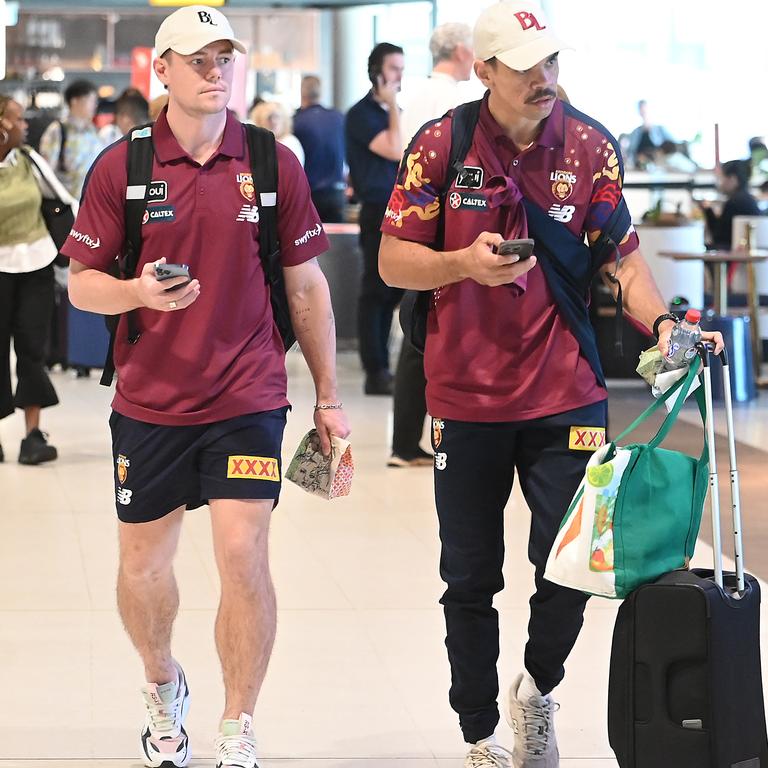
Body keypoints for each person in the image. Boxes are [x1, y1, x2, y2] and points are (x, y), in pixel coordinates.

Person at [378, 4, 724, 767]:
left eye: (552, 62)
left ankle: (536, 689)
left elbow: (622, 259)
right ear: (485, 71)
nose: (544, 78)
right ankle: (476, 732)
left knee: (569, 562)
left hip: (566, 393)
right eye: (525, 65)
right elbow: (394, 260)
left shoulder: (591, 145)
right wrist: (460, 263)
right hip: (464, 397)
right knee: (468, 577)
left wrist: (664, 326)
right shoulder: (440, 145)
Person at [62, 7, 349, 768]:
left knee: (243, 555)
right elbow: (83, 285)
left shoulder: (270, 160)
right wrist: (139, 297)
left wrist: (326, 395)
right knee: (143, 570)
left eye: (225, 55)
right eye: (198, 58)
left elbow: (307, 288)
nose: (215, 69)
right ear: (162, 70)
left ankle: (237, 723)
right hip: (151, 399)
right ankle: (164, 685)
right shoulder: (121, 167)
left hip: (247, 393)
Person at [388, 23, 474, 467]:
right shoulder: (455, 102)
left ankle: (404, 440)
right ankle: (408, 442)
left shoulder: (416, 94)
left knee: (414, 326)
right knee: (424, 332)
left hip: (409, 213)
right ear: (462, 51)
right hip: (444, 223)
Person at [0, 94, 73, 465]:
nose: (25, 125)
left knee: (32, 350)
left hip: (36, 264)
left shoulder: (28, 160)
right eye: (17, 119)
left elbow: (63, 201)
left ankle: (32, 435)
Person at [346, 42, 405, 395]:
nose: (399, 76)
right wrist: (394, 107)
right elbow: (396, 148)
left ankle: (385, 367)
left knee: (393, 291)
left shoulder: (392, 111)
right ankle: (376, 371)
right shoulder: (362, 114)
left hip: (399, 211)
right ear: (377, 73)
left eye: (401, 68)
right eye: (394, 68)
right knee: (376, 292)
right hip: (376, 211)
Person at [399, 23, 474, 149]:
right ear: (461, 52)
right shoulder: (455, 100)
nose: (475, 58)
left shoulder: (413, 97)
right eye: (473, 50)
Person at [293, 75, 347, 223]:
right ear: (320, 92)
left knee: (309, 242)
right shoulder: (338, 118)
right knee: (336, 243)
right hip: (336, 192)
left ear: (302, 93)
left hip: (308, 194)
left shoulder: (296, 121)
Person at [39, 79, 105, 199]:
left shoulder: (93, 131)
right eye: (91, 100)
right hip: (67, 206)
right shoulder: (57, 131)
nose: (95, 105)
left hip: (92, 203)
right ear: (75, 101)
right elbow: (46, 173)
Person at [698, 159, 762, 250]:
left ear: (733, 178)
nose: (720, 183)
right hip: (747, 255)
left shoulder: (734, 202)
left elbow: (719, 238)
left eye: (722, 178)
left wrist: (708, 211)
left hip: (733, 257)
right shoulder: (749, 199)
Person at [249, 100, 305, 166]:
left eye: (277, 117)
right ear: (259, 121)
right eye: (269, 118)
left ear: (284, 120)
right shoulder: (256, 143)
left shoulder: (291, 143)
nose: (273, 121)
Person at [626, 99, 673, 169]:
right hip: (640, 167)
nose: (643, 111)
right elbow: (630, 151)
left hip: (660, 166)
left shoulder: (660, 130)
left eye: (644, 108)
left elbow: (672, 146)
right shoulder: (635, 132)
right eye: (641, 109)